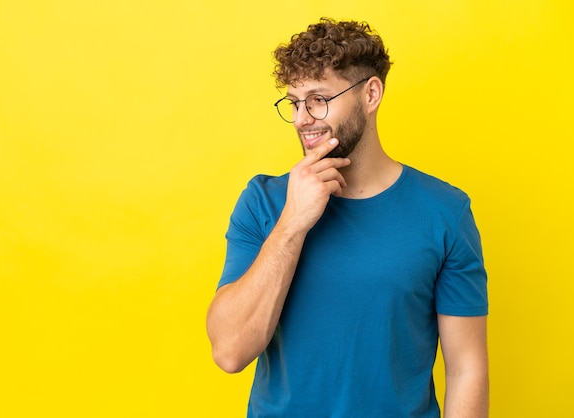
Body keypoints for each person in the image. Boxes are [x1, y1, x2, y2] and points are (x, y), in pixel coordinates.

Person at [206, 18, 488, 418]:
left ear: (371, 94)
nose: (303, 117)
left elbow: (466, 368)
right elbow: (230, 351)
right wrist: (292, 223)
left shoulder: (445, 212)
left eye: (319, 99)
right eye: (294, 102)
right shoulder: (264, 202)